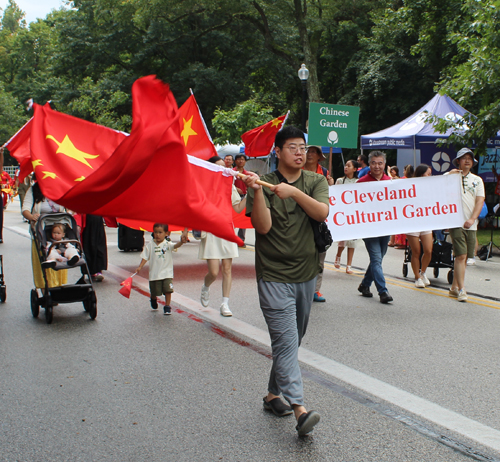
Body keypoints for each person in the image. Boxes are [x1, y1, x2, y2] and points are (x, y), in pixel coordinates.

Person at [244, 126, 329, 436]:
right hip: (273, 275)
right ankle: (300, 410)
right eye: (292, 147)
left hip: (306, 274)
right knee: (285, 340)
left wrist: (293, 192)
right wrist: (257, 191)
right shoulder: (264, 184)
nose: (299, 152)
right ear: (277, 152)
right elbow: (263, 228)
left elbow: (321, 213)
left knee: (292, 341)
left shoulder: (315, 181)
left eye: (302, 147)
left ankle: (272, 395)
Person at [200, 155, 246, 317]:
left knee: (227, 269)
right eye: (218, 167)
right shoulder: (203, 186)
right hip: (212, 230)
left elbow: (238, 208)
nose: (223, 169)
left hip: (227, 229)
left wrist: (250, 193)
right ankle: (206, 287)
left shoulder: (230, 186)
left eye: (224, 166)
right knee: (213, 272)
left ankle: (225, 304)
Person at [446, 148, 485, 302]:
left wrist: (472, 219)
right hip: (456, 222)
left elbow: (480, 200)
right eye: (464, 158)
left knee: (466, 256)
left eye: (470, 158)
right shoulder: (450, 177)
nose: (467, 161)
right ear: (458, 161)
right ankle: (462, 289)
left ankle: (454, 287)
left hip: (471, 223)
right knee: (461, 255)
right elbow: (436, 186)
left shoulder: (477, 180)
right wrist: (450, 175)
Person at [357, 151, 393, 303]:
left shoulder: (391, 182)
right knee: (376, 258)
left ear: (384, 164)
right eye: (374, 163)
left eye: (380, 163)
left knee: (377, 259)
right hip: (369, 228)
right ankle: (383, 292)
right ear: (369, 164)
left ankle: (365, 285)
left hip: (386, 227)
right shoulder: (361, 183)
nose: (377, 166)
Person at [22, 176, 68, 289]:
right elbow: (25, 209)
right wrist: (32, 217)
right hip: (41, 232)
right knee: (44, 260)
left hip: (58, 231)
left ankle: (58, 287)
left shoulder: (60, 188)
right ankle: (46, 289)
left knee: (60, 256)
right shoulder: (33, 190)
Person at [303, 145, 334, 302]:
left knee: (320, 255)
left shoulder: (324, 173)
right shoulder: (297, 169)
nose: (310, 154)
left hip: (318, 220)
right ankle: (301, 287)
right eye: (308, 151)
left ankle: (316, 290)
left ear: (319, 156)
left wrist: (331, 185)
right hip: (300, 219)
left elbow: (330, 196)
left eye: (314, 152)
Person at [136, 223, 186, 315]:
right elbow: (145, 257)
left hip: (167, 274)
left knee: (168, 290)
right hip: (155, 274)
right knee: (155, 291)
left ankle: (167, 306)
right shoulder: (150, 245)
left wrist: (181, 242)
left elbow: (176, 246)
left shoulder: (167, 244)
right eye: (156, 232)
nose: (158, 235)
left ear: (166, 233)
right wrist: (140, 266)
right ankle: (153, 298)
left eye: (160, 232)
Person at [406, 164, 433, 288]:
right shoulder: (410, 185)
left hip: (426, 221)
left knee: (428, 250)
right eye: (428, 173)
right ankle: (417, 277)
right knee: (416, 251)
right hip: (412, 222)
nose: (430, 176)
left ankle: (423, 272)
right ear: (422, 174)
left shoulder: (431, 187)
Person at [334, 160, 359, 274]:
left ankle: (349, 265)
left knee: (352, 241)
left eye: (349, 166)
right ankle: (338, 255)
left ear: (355, 169)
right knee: (343, 239)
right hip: (343, 214)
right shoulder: (340, 181)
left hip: (354, 214)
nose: (346, 167)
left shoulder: (358, 182)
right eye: (345, 165)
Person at [75, 214, 108, 282]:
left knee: (99, 245)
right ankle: (90, 271)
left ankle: (99, 270)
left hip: (96, 217)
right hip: (86, 218)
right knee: (88, 245)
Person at [233, 153, 250, 245]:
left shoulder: (247, 174)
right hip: (233, 197)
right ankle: (230, 237)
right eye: (239, 159)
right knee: (232, 217)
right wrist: (235, 189)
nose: (241, 161)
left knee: (243, 218)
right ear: (235, 161)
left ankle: (241, 239)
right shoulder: (231, 172)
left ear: (245, 162)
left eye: (242, 159)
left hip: (244, 197)